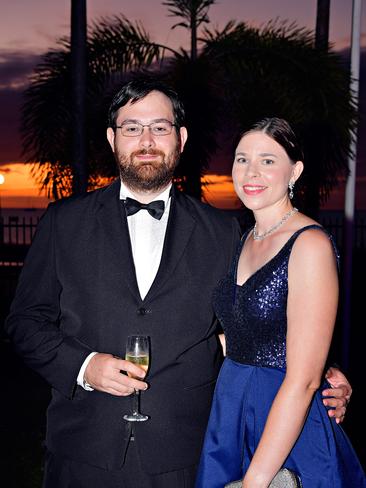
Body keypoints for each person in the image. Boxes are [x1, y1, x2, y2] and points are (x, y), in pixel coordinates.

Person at [5, 81, 351, 488]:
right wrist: (84, 367)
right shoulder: (64, 222)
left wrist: (321, 372)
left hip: (188, 456)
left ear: (181, 138)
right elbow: (25, 323)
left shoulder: (224, 232)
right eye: (132, 128)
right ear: (112, 138)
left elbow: (245, 324)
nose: (147, 140)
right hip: (82, 453)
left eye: (160, 127)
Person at [195, 118, 365, 488]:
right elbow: (246, 334)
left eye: (268, 160)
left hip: (286, 419)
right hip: (233, 411)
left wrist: (256, 480)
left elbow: (303, 380)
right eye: (242, 159)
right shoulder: (244, 239)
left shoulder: (309, 244)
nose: (251, 171)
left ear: (295, 170)